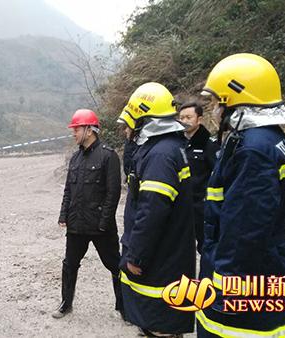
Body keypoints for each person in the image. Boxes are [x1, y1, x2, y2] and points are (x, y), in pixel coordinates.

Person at [197, 53, 285, 337]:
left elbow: (245, 227)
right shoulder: (267, 139)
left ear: (235, 99)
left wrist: (227, 284)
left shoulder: (254, 149)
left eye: (218, 102)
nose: (215, 109)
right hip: (265, 264)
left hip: (245, 277)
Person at [117, 82, 195, 337]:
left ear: (145, 121)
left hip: (160, 258)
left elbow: (152, 212)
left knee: (159, 326)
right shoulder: (169, 147)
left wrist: (135, 255)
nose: (126, 129)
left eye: (131, 122)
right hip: (168, 252)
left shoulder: (160, 155)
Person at [53, 109, 123, 319]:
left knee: (115, 265)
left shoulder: (108, 156)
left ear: (89, 130)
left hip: (101, 227)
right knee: (69, 265)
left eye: (76, 129)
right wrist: (63, 214)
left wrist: (104, 222)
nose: (73, 133)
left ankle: (124, 306)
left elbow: (113, 193)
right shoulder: (75, 159)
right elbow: (68, 190)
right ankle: (66, 304)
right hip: (76, 225)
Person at [178, 102, 219, 254]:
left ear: (199, 119)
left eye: (189, 117)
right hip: (181, 206)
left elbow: (218, 174)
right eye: (181, 117)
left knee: (206, 248)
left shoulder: (209, 144)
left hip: (201, 207)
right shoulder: (177, 142)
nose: (184, 121)